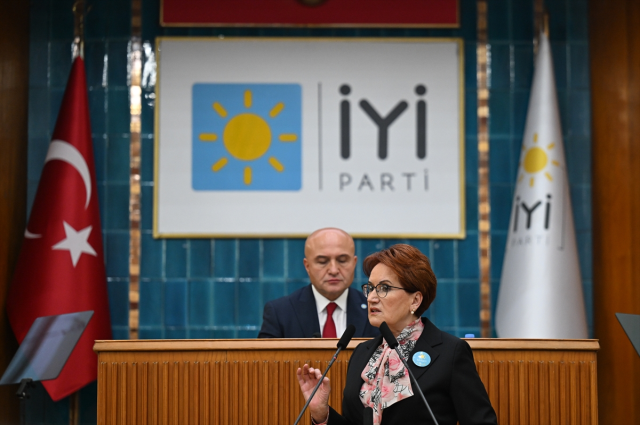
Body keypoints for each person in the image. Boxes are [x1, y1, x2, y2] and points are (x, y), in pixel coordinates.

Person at [296, 244, 498, 425]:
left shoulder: (449, 353)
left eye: (384, 288)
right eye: (370, 288)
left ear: (415, 300)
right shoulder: (362, 354)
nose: (372, 298)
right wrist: (322, 414)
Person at [258, 228, 378, 339]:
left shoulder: (375, 308)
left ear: (354, 263)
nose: (334, 270)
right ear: (307, 266)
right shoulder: (280, 313)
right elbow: (264, 360)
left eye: (342, 260)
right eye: (322, 262)